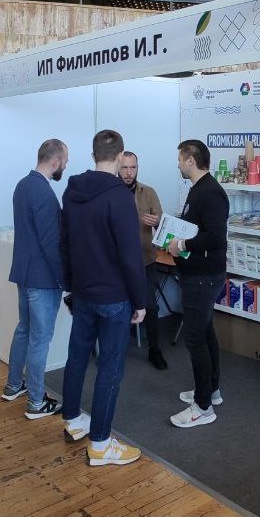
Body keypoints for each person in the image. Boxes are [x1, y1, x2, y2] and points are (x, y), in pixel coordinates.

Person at [60, 129, 146, 466]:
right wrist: (140, 301)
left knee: (77, 357)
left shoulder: (72, 189)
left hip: (82, 292)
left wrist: (70, 284)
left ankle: (72, 419)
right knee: (110, 368)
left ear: (93, 154)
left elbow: (65, 242)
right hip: (113, 297)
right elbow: (130, 255)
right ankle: (100, 445)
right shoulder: (119, 196)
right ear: (121, 156)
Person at [1, 139, 69, 420]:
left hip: (25, 273)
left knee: (24, 330)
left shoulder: (23, 185)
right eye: (65, 160)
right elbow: (50, 242)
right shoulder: (44, 192)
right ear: (55, 161)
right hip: (42, 278)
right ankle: (37, 402)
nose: (66, 165)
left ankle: (13, 385)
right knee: (40, 339)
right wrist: (64, 279)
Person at [167, 139, 229, 428]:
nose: (178, 163)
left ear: (191, 160)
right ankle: (211, 390)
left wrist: (182, 244)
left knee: (194, 338)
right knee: (204, 332)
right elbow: (197, 227)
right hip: (198, 274)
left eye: (180, 159)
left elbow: (215, 236)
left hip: (203, 277)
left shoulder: (211, 192)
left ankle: (203, 407)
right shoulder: (198, 189)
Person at [119, 151, 167, 370]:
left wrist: (156, 222)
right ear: (118, 167)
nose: (129, 172)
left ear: (138, 168)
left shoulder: (148, 192)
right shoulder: (111, 193)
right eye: (125, 167)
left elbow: (163, 227)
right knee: (118, 306)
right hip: (118, 263)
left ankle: (154, 350)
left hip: (145, 259)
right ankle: (115, 350)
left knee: (150, 305)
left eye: (133, 167)